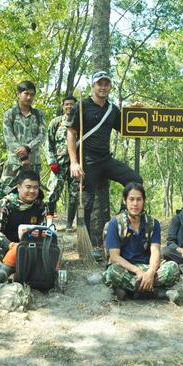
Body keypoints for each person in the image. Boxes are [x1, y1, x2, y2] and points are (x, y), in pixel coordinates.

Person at [67, 71, 142, 254]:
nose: (103, 87)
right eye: (99, 84)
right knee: (86, 203)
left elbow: (125, 125)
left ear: (110, 87)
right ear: (93, 85)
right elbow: (71, 133)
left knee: (135, 181)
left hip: (105, 160)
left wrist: (134, 110)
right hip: (86, 162)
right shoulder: (81, 106)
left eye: (106, 84)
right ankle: (87, 246)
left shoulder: (112, 109)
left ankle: (122, 224)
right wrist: (74, 163)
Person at [103, 182, 180, 301]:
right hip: (126, 268)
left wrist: (150, 272)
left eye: (139, 199)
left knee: (172, 268)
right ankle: (156, 292)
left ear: (144, 201)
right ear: (125, 201)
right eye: (131, 199)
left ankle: (130, 291)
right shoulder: (115, 223)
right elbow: (114, 257)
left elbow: (155, 252)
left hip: (146, 267)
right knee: (112, 272)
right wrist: (137, 271)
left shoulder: (153, 224)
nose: (135, 203)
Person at [0, 170, 46, 267]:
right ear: (19, 187)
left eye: (35, 187)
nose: (32, 191)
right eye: (28, 187)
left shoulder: (40, 206)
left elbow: (45, 231)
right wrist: (11, 246)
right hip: (8, 245)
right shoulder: (6, 204)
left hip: (32, 246)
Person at [45, 95, 80, 231]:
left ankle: (69, 225)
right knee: (52, 194)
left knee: (74, 195)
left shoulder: (81, 123)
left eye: (72, 104)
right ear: (63, 106)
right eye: (67, 104)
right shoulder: (56, 122)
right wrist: (52, 161)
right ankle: (49, 224)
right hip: (58, 166)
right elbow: (48, 143)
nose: (69, 107)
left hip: (75, 166)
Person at [3, 80, 46, 181]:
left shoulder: (39, 115)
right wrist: (22, 156)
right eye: (26, 93)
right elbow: (8, 137)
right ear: (18, 94)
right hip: (14, 163)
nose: (29, 97)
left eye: (32, 95)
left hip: (33, 163)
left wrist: (28, 148)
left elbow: (42, 135)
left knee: (32, 193)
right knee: (7, 192)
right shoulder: (10, 114)